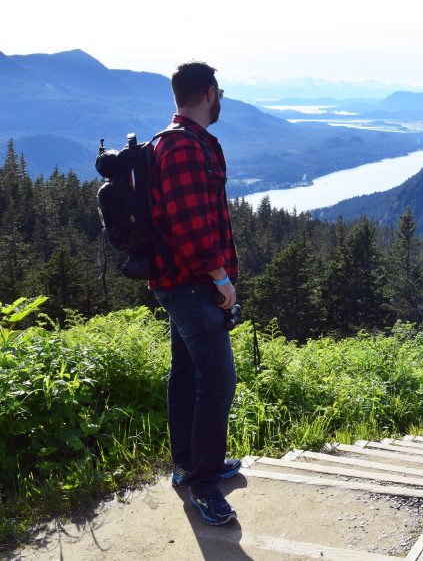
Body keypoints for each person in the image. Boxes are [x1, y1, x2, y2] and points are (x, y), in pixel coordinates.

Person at [149, 61, 241, 526]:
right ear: (208, 94)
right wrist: (220, 276)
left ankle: (188, 465)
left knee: (185, 372)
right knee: (218, 379)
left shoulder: (174, 141)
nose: (219, 98)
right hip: (192, 283)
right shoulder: (184, 147)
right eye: (218, 92)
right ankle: (206, 483)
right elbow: (190, 224)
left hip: (179, 280)